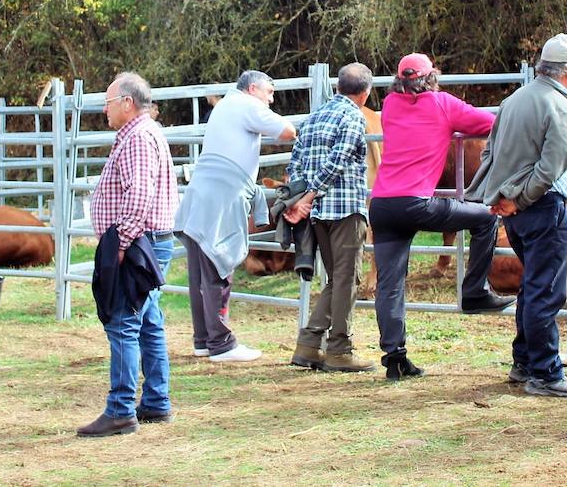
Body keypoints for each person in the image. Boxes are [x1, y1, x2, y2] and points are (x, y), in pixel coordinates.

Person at [370, 53, 513, 381]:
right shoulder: (442, 104)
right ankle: (474, 291)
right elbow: (491, 124)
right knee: (487, 218)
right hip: (417, 202)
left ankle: (395, 359)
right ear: (431, 77)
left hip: (383, 205)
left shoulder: (390, 105)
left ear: (398, 80)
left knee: (389, 285)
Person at [467, 34, 567, 398]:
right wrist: (520, 198)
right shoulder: (559, 107)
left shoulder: (514, 101)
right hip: (542, 207)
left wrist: (501, 197)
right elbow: (549, 169)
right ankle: (546, 372)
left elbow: (491, 152)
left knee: (533, 285)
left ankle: (523, 362)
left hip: (515, 209)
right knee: (546, 290)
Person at [77, 72, 180, 438]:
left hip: (138, 241)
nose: (103, 109)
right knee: (147, 320)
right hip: (147, 240)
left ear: (126, 102)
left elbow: (139, 193)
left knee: (123, 321)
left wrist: (121, 243)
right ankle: (156, 399)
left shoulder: (137, 137)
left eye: (107, 102)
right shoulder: (142, 133)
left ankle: (120, 409)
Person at [174, 70, 296, 362]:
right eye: (269, 93)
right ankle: (222, 343)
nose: (271, 99)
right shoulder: (247, 105)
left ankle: (204, 340)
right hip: (222, 196)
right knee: (220, 261)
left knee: (200, 270)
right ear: (253, 89)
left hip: (203, 194)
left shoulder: (226, 106)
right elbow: (288, 131)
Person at [286, 63, 376, 373]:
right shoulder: (353, 116)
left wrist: (301, 200)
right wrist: (310, 195)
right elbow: (338, 161)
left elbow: (295, 161)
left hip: (317, 214)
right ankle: (340, 349)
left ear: (338, 87)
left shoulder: (313, 118)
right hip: (345, 208)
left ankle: (309, 344)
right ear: (365, 93)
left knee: (337, 279)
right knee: (347, 278)